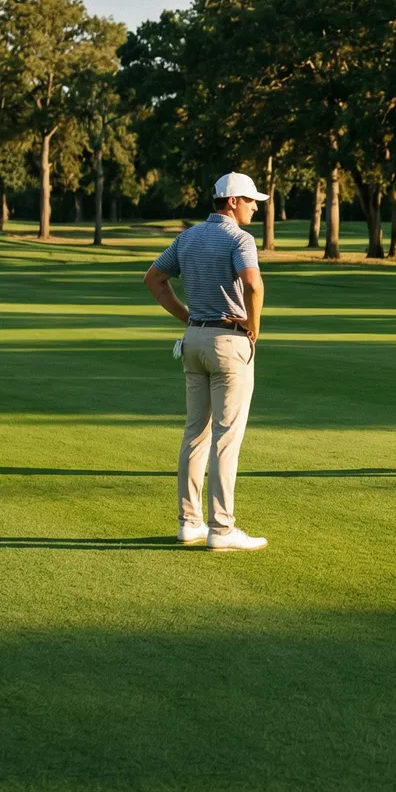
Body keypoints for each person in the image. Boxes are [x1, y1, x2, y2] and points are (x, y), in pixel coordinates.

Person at [144, 172, 273, 551]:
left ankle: (189, 523)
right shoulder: (239, 239)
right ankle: (221, 527)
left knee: (195, 434)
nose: (255, 207)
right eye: (250, 201)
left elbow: (154, 279)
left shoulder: (188, 237)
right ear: (232, 201)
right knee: (225, 439)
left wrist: (188, 318)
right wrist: (253, 326)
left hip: (194, 339)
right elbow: (253, 283)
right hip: (229, 342)